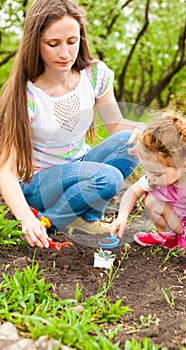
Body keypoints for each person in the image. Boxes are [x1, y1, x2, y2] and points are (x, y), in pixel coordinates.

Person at [0, 0, 143, 249]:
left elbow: (116, 125)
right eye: (53, 44)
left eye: (72, 41)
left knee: (131, 141)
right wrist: (25, 219)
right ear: (35, 44)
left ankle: (85, 217)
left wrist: (150, 134)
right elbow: (5, 170)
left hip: (80, 167)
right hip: (40, 183)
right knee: (109, 178)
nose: (65, 53)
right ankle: (48, 221)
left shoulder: (94, 75)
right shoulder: (26, 94)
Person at [111, 110, 186, 279]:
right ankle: (168, 238)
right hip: (181, 227)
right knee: (151, 198)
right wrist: (122, 216)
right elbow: (134, 191)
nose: (151, 177)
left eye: (157, 173)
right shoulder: (157, 175)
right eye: (148, 171)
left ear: (183, 166)